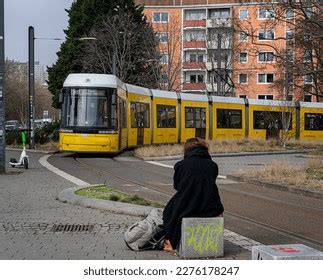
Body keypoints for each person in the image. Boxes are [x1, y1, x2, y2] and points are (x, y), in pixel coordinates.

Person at [162, 137, 224, 252]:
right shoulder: (213, 165)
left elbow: (177, 187)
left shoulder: (180, 165)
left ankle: (171, 242)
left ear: (187, 150)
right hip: (211, 207)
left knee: (168, 212)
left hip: (187, 205)